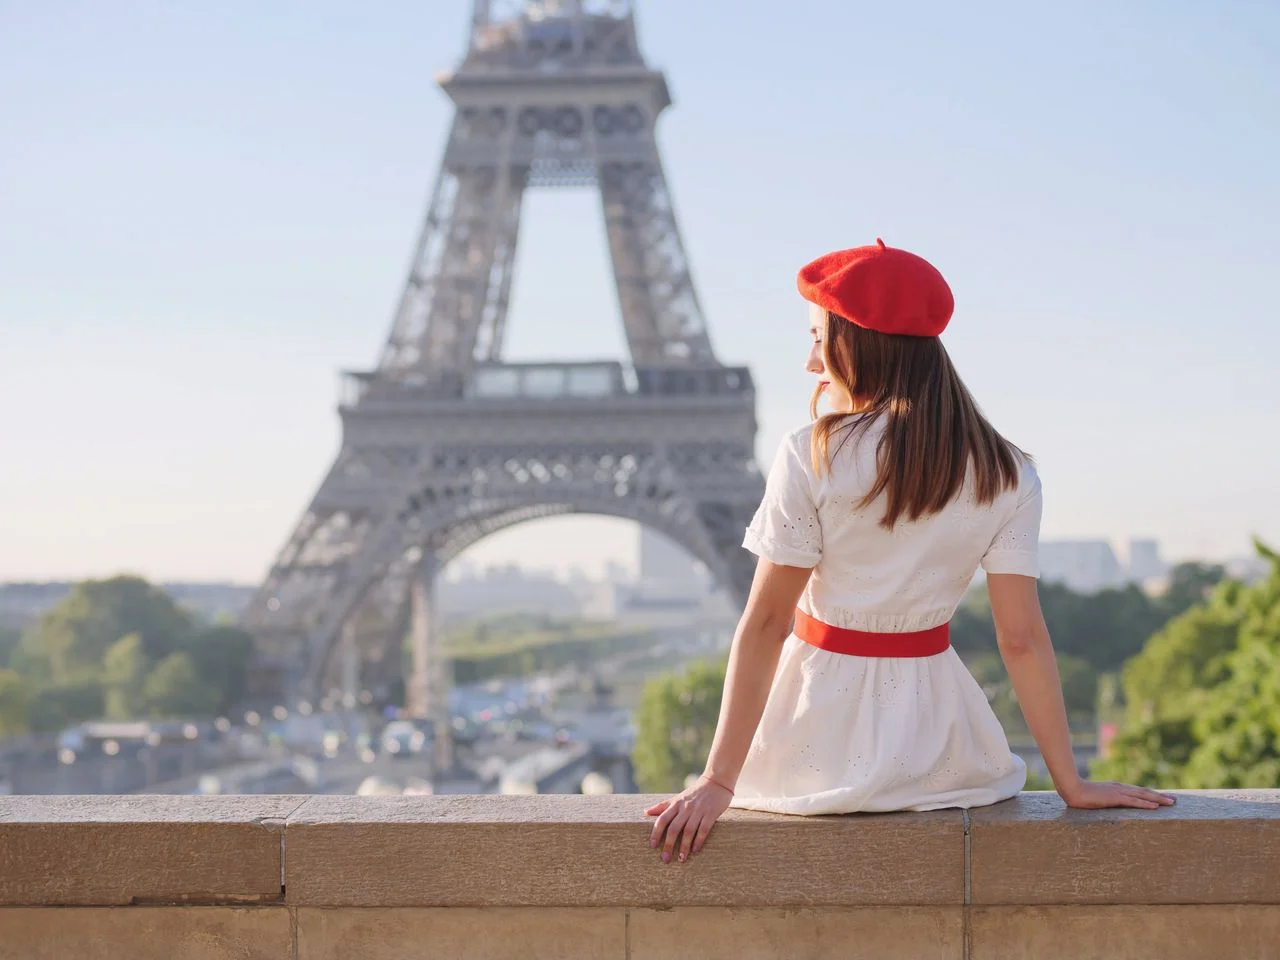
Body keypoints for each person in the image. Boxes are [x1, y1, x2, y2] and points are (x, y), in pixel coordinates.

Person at [646, 239, 1174, 864]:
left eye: (820, 337)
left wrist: (718, 780)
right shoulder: (1010, 474)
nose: (811, 362)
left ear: (859, 342)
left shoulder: (812, 453)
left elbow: (766, 622)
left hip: (813, 732)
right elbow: (1022, 639)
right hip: (940, 746)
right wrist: (1072, 783)